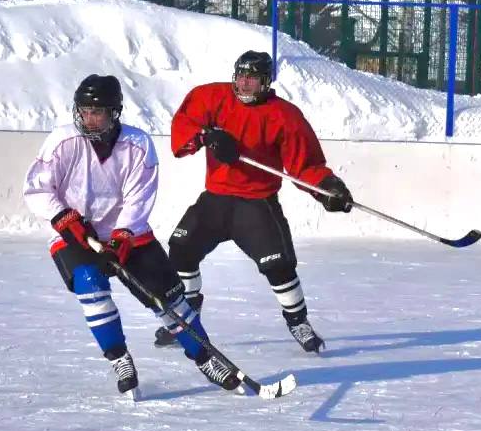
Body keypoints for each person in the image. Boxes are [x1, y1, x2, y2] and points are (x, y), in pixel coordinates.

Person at [23, 74, 242, 396]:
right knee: (90, 285)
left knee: (167, 298)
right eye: (83, 111)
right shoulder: (62, 141)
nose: (88, 118)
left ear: (115, 112)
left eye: (96, 112)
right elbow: (38, 188)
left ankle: (205, 357)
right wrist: (63, 216)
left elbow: (138, 198)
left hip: (130, 233)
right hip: (75, 234)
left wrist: (121, 237)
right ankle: (119, 358)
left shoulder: (138, 144)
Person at [151, 50, 352, 354]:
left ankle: (298, 321)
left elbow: (305, 164)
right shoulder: (212, 97)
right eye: (241, 76)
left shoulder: (285, 115)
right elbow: (184, 125)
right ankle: (187, 314)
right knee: (180, 250)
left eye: (252, 79)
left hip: (256, 204)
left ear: (266, 82)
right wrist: (207, 136)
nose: (244, 84)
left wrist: (326, 187)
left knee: (279, 266)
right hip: (215, 200)